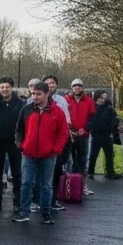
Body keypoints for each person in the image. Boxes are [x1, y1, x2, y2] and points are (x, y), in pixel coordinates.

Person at [14, 81, 68, 224]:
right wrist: (21, 145)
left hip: (49, 155)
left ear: (47, 94)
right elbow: (19, 129)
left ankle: (46, 213)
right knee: (26, 183)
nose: (35, 97)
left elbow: (63, 133)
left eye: (38, 94)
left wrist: (56, 149)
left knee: (46, 185)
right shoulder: (26, 110)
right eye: (33, 94)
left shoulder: (57, 112)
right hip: (28, 153)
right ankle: (24, 212)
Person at [0, 77, 24, 212]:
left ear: (12, 88)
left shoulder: (20, 104)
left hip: (14, 142)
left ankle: (17, 202)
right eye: (2, 87)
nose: (4, 90)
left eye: (7, 87)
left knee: (16, 173)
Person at [43, 74, 72, 212]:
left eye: (53, 82)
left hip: (57, 142)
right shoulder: (35, 99)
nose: (50, 84)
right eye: (47, 82)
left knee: (55, 172)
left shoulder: (61, 101)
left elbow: (67, 122)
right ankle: (39, 201)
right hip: (41, 142)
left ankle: (52, 201)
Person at [65, 78, 96, 195]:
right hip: (70, 135)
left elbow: (93, 117)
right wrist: (70, 130)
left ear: (82, 88)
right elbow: (64, 115)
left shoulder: (89, 101)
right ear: (71, 88)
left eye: (79, 86)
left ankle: (82, 185)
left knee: (82, 160)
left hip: (83, 135)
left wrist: (86, 129)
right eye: (74, 86)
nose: (77, 88)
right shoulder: (66, 99)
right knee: (70, 161)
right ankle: (71, 185)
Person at [87, 90, 119, 179]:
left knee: (109, 155)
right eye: (101, 97)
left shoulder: (109, 109)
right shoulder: (92, 108)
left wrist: (113, 130)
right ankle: (90, 172)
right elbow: (89, 120)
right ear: (97, 98)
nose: (103, 100)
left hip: (106, 134)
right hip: (96, 134)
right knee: (93, 155)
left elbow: (114, 121)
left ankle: (110, 172)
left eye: (105, 98)